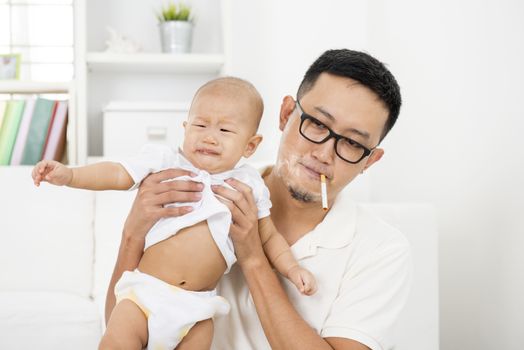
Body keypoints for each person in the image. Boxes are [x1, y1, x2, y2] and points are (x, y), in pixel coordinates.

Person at [106, 49, 413, 350]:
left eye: (351, 142)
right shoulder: (196, 189)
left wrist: (253, 257)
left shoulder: (382, 249)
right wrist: (132, 234)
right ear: (285, 114)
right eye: (317, 124)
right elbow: (120, 326)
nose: (323, 153)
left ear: (369, 162)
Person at [31, 77, 317, 350]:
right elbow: (117, 173)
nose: (210, 137)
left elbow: (268, 237)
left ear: (250, 145)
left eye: (225, 130)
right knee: (115, 342)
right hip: (144, 293)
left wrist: (292, 269)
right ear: (184, 127)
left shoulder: (249, 185)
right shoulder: (165, 160)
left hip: (197, 306)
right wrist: (70, 175)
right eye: (200, 125)